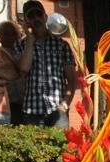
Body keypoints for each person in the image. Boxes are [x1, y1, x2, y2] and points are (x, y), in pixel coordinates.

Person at [15, 0, 76, 129]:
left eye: (39, 14)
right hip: (31, 112)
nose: (36, 18)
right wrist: (30, 41)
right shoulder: (20, 45)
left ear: (45, 17)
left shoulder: (62, 45)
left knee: (60, 148)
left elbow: (72, 79)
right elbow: (24, 69)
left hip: (58, 112)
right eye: (31, 16)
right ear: (26, 20)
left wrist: (65, 104)